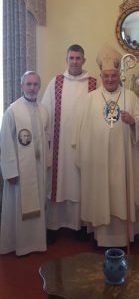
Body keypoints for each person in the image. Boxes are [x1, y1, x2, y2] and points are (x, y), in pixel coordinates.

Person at [72, 44, 139, 248]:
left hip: (123, 160)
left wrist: (133, 122)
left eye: (113, 75)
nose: (110, 79)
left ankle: (123, 239)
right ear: (101, 76)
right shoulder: (90, 100)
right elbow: (81, 132)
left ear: (119, 75)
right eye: (106, 76)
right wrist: (84, 155)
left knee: (121, 196)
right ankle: (101, 238)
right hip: (98, 162)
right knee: (101, 195)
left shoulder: (130, 96)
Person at [42, 44, 97, 243]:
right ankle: (54, 225)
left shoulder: (93, 84)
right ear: (66, 60)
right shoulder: (56, 83)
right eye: (71, 58)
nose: (74, 62)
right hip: (59, 144)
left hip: (83, 145)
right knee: (57, 182)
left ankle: (79, 226)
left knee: (79, 183)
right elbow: (45, 112)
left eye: (78, 58)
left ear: (84, 60)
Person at [0, 71, 49, 256]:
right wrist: (10, 170)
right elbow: (5, 142)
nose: (32, 88)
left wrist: (47, 163)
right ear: (22, 86)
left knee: (38, 204)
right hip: (20, 169)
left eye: (35, 84)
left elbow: (46, 139)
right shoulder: (12, 111)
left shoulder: (43, 110)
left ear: (39, 87)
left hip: (38, 167)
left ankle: (36, 243)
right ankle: (19, 245)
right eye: (28, 84)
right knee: (18, 205)